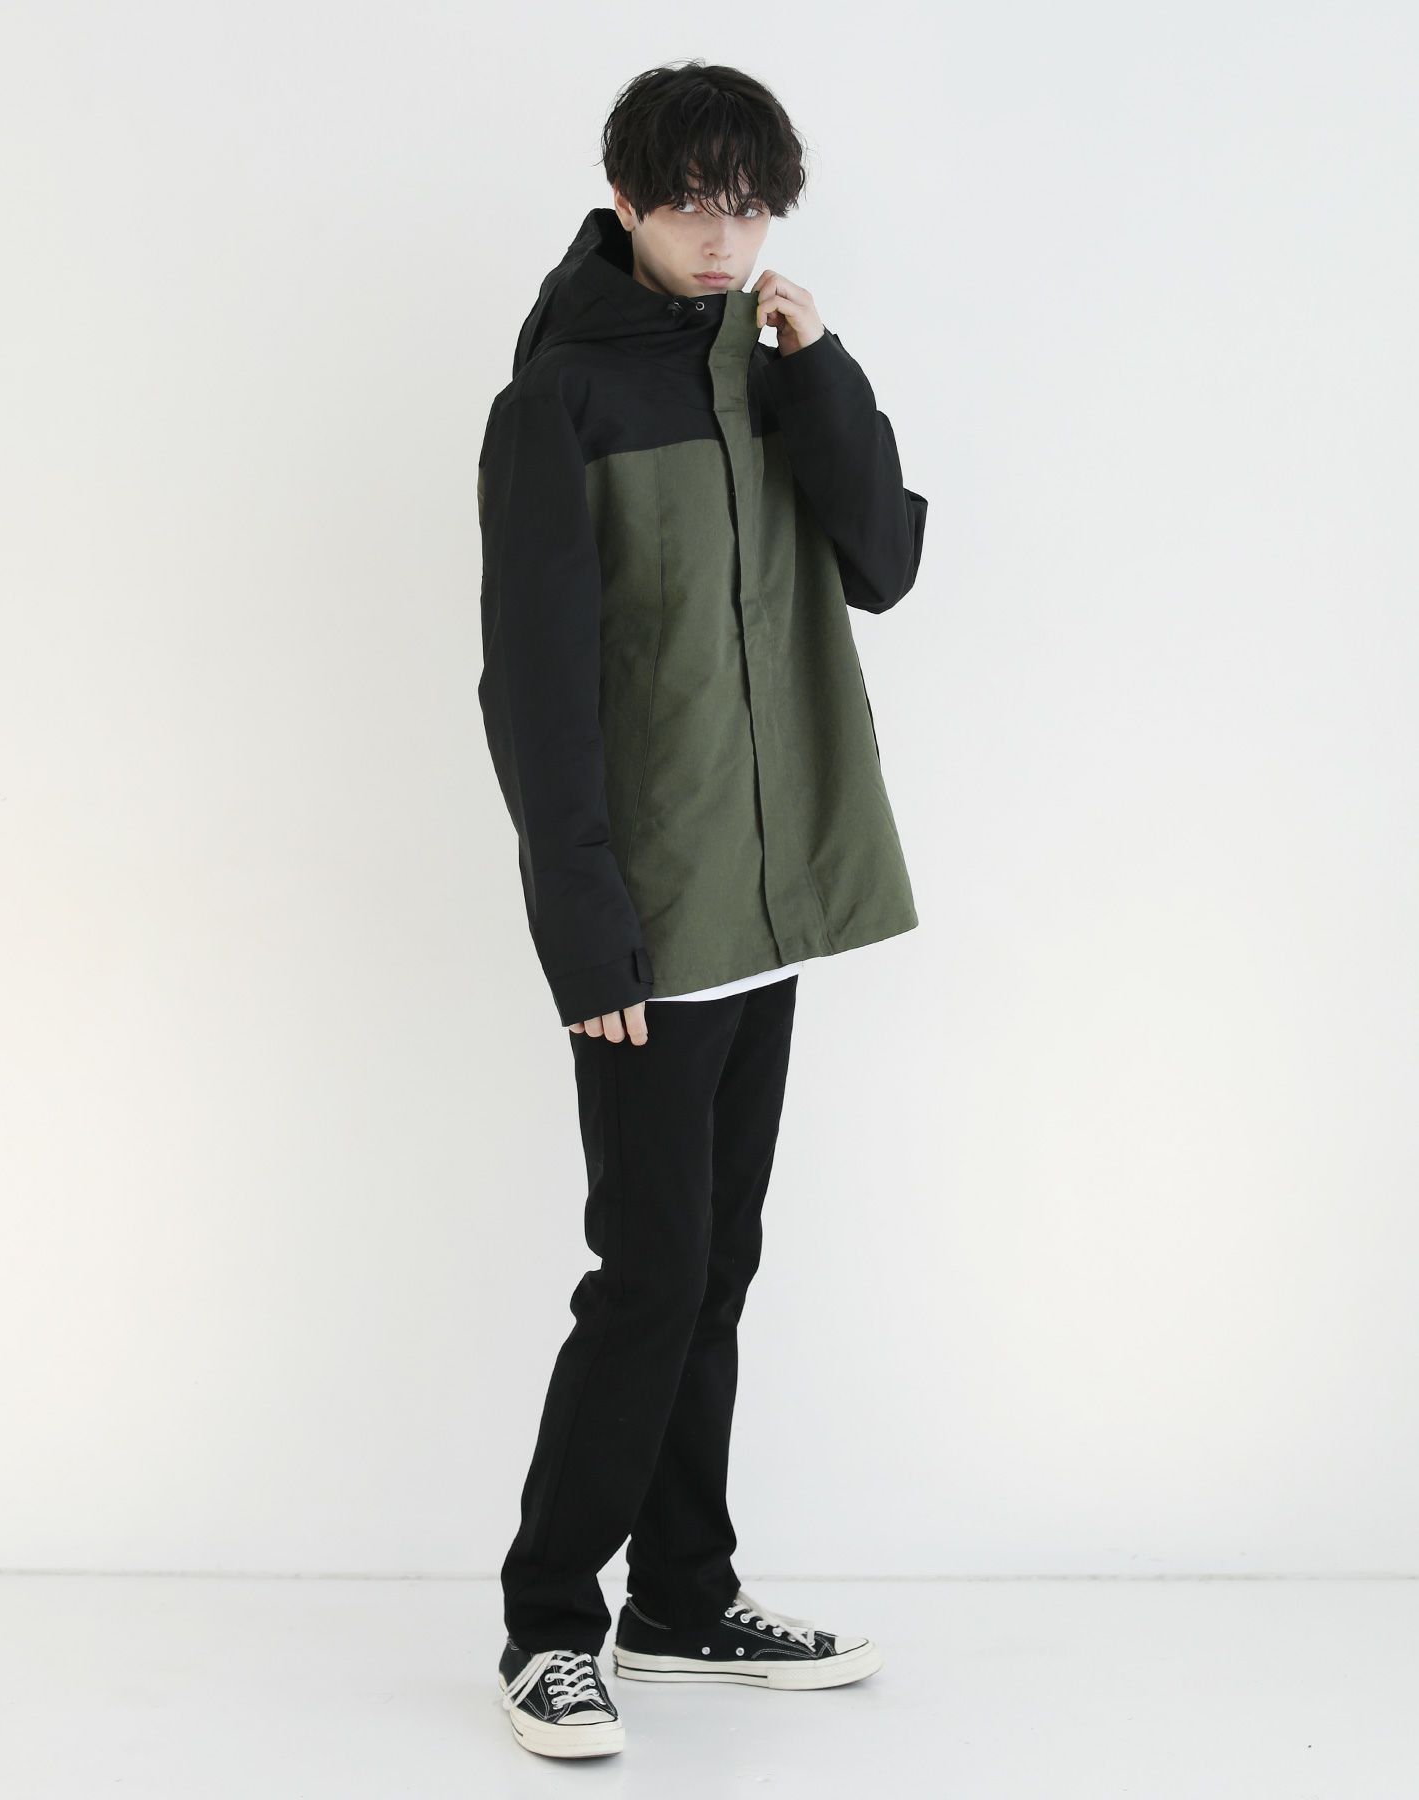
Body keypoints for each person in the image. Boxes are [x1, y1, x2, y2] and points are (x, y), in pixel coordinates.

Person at [476, 59, 928, 1759]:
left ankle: (680, 1595)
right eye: (690, 205)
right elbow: (533, 691)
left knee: (716, 1266)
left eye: (749, 206)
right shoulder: (561, 403)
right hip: (649, 925)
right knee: (651, 1273)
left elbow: (882, 562)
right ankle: (548, 1621)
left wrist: (826, 374)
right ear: (626, 201)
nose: (723, 237)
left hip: (771, 904)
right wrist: (584, 932)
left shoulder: (772, 367)